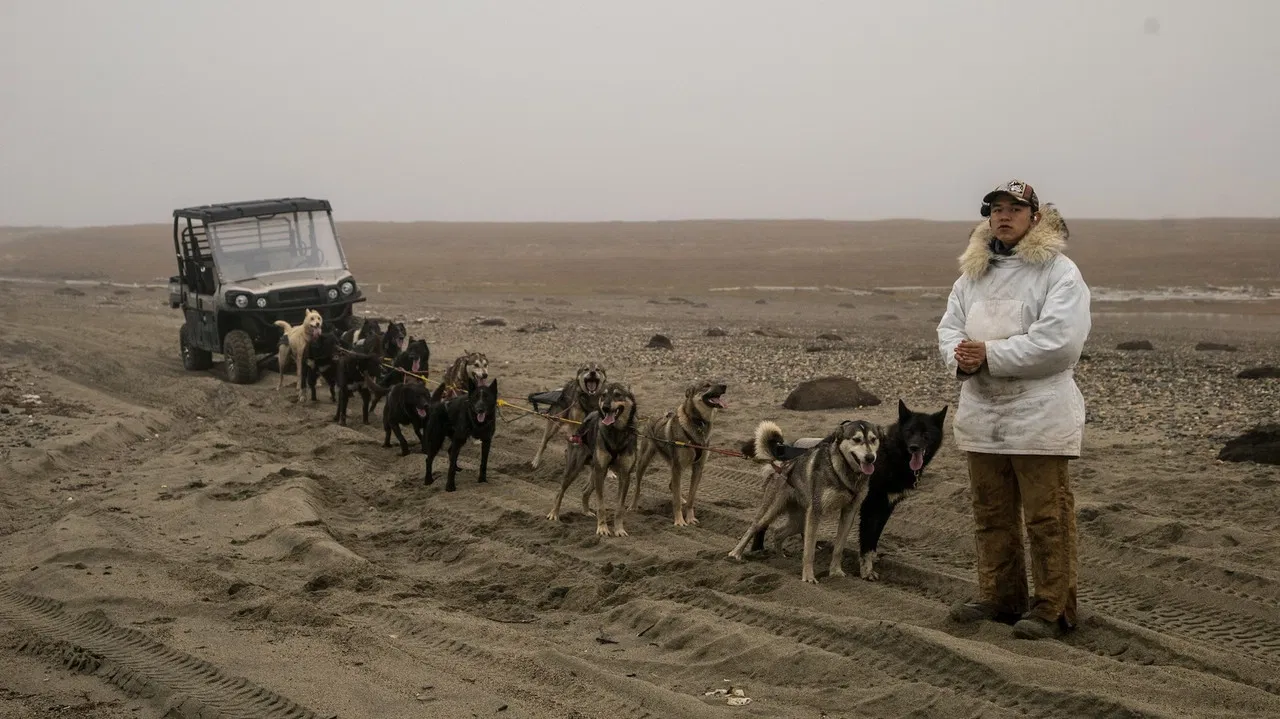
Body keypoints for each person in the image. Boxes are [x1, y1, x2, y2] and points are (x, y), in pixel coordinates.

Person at [935, 180, 1091, 640]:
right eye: (997, 209)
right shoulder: (971, 276)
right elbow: (949, 328)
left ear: (1035, 217)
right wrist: (960, 357)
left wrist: (989, 354)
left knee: (1048, 517)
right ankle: (1000, 598)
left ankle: (1053, 608)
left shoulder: (1059, 272)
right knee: (991, 513)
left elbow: (1060, 343)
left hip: (1040, 414)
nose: (1004, 216)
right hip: (983, 413)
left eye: (1015, 209)